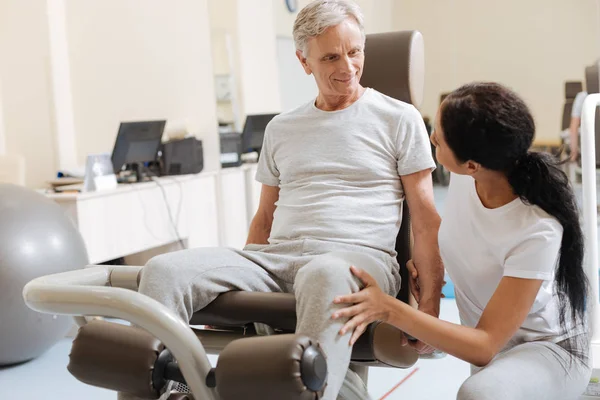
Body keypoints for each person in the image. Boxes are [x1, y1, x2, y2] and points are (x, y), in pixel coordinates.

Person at [120, 1, 443, 399]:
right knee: (163, 270)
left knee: (323, 273)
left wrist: (428, 310)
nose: (347, 66)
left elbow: (426, 221)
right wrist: (241, 289)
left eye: (355, 52)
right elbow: (264, 218)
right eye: (330, 56)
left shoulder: (399, 118)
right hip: (277, 257)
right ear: (304, 61)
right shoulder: (282, 127)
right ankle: (168, 389)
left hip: (357, 259)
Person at [333, 82, 591, 400]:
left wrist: (388, 308)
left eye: (438, 139)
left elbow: (483, 346)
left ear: (472, 164)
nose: (431, 140)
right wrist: (428, 300)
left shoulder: (538, 229)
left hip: (547, 351)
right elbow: (456, 240)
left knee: (478, 394)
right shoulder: (466, 176)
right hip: (493, 349)